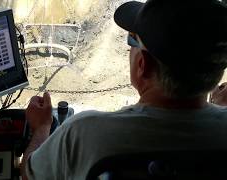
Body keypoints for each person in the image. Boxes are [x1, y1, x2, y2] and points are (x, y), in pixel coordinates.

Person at [21, 0, 227, 179]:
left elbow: (30, 174)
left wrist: (41, 127)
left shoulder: (83, 134)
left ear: (143, 64)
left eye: (132, 40)